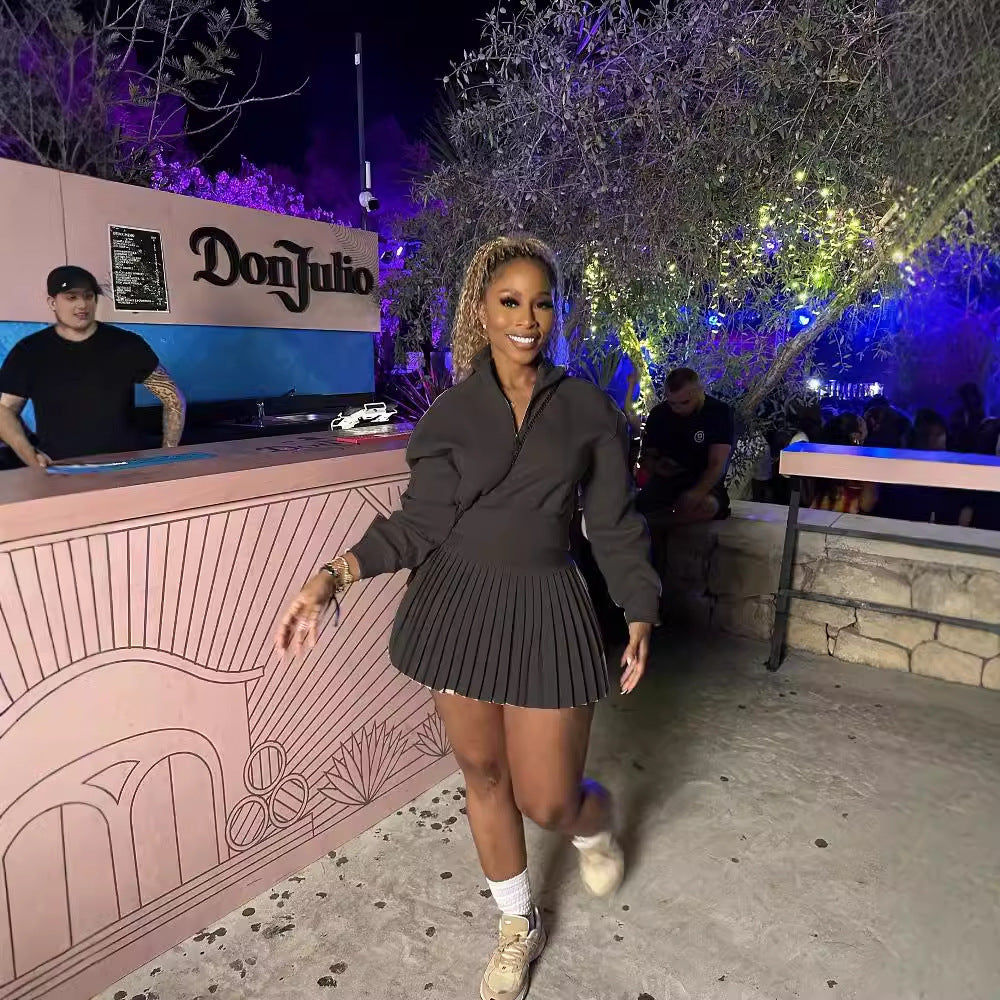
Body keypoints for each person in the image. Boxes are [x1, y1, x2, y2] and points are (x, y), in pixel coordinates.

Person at [274, 236, 660, 1000]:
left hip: (547, 606)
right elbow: (417, 524)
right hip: (457, 606)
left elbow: (613, 524)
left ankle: (593, 819)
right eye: (510, 301)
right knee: (483, 773)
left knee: (547, 798)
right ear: (481, 311)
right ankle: (517, 923)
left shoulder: (588, 410)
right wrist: (334, 577)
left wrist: (639, 608)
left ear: (556, 313)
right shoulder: (451, 414)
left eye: (542, 303)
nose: (527, 318)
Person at [0, 265, 185, 466]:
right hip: (60, 469)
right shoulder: (29, 351)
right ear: (52, 302)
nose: (82, 305)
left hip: (125, 468)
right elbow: (5, 411)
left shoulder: (127, 345)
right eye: (72, 297)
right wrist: (29, 455)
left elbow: (173, 397)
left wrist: (168, 454)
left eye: (88, 296)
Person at [635, 367, 734, 525]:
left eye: (685, 402)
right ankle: (658, 523)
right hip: (666, 481)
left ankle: (657, 523)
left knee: (707, 505)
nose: (678, 408)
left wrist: (697, 493)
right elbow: (647, 457)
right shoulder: (658, 414)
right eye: (672, 403)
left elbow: (717, 463)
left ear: (699, 392)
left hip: (703, 480)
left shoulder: (718, 412)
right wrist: (656, 466)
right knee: (639, 505)